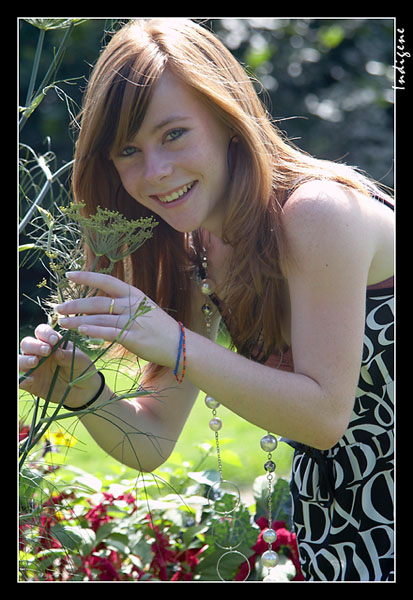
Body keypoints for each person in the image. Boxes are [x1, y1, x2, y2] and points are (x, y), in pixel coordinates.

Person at [19, 19, 394, 581]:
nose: (156, 172)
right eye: (128, 150)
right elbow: (153, 437)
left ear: (227, 120)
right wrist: (82, 391)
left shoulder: (318, 213)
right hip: (339, 534)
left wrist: (174, 342)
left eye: (174, 134)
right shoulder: (196, 253)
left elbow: (323, 416)